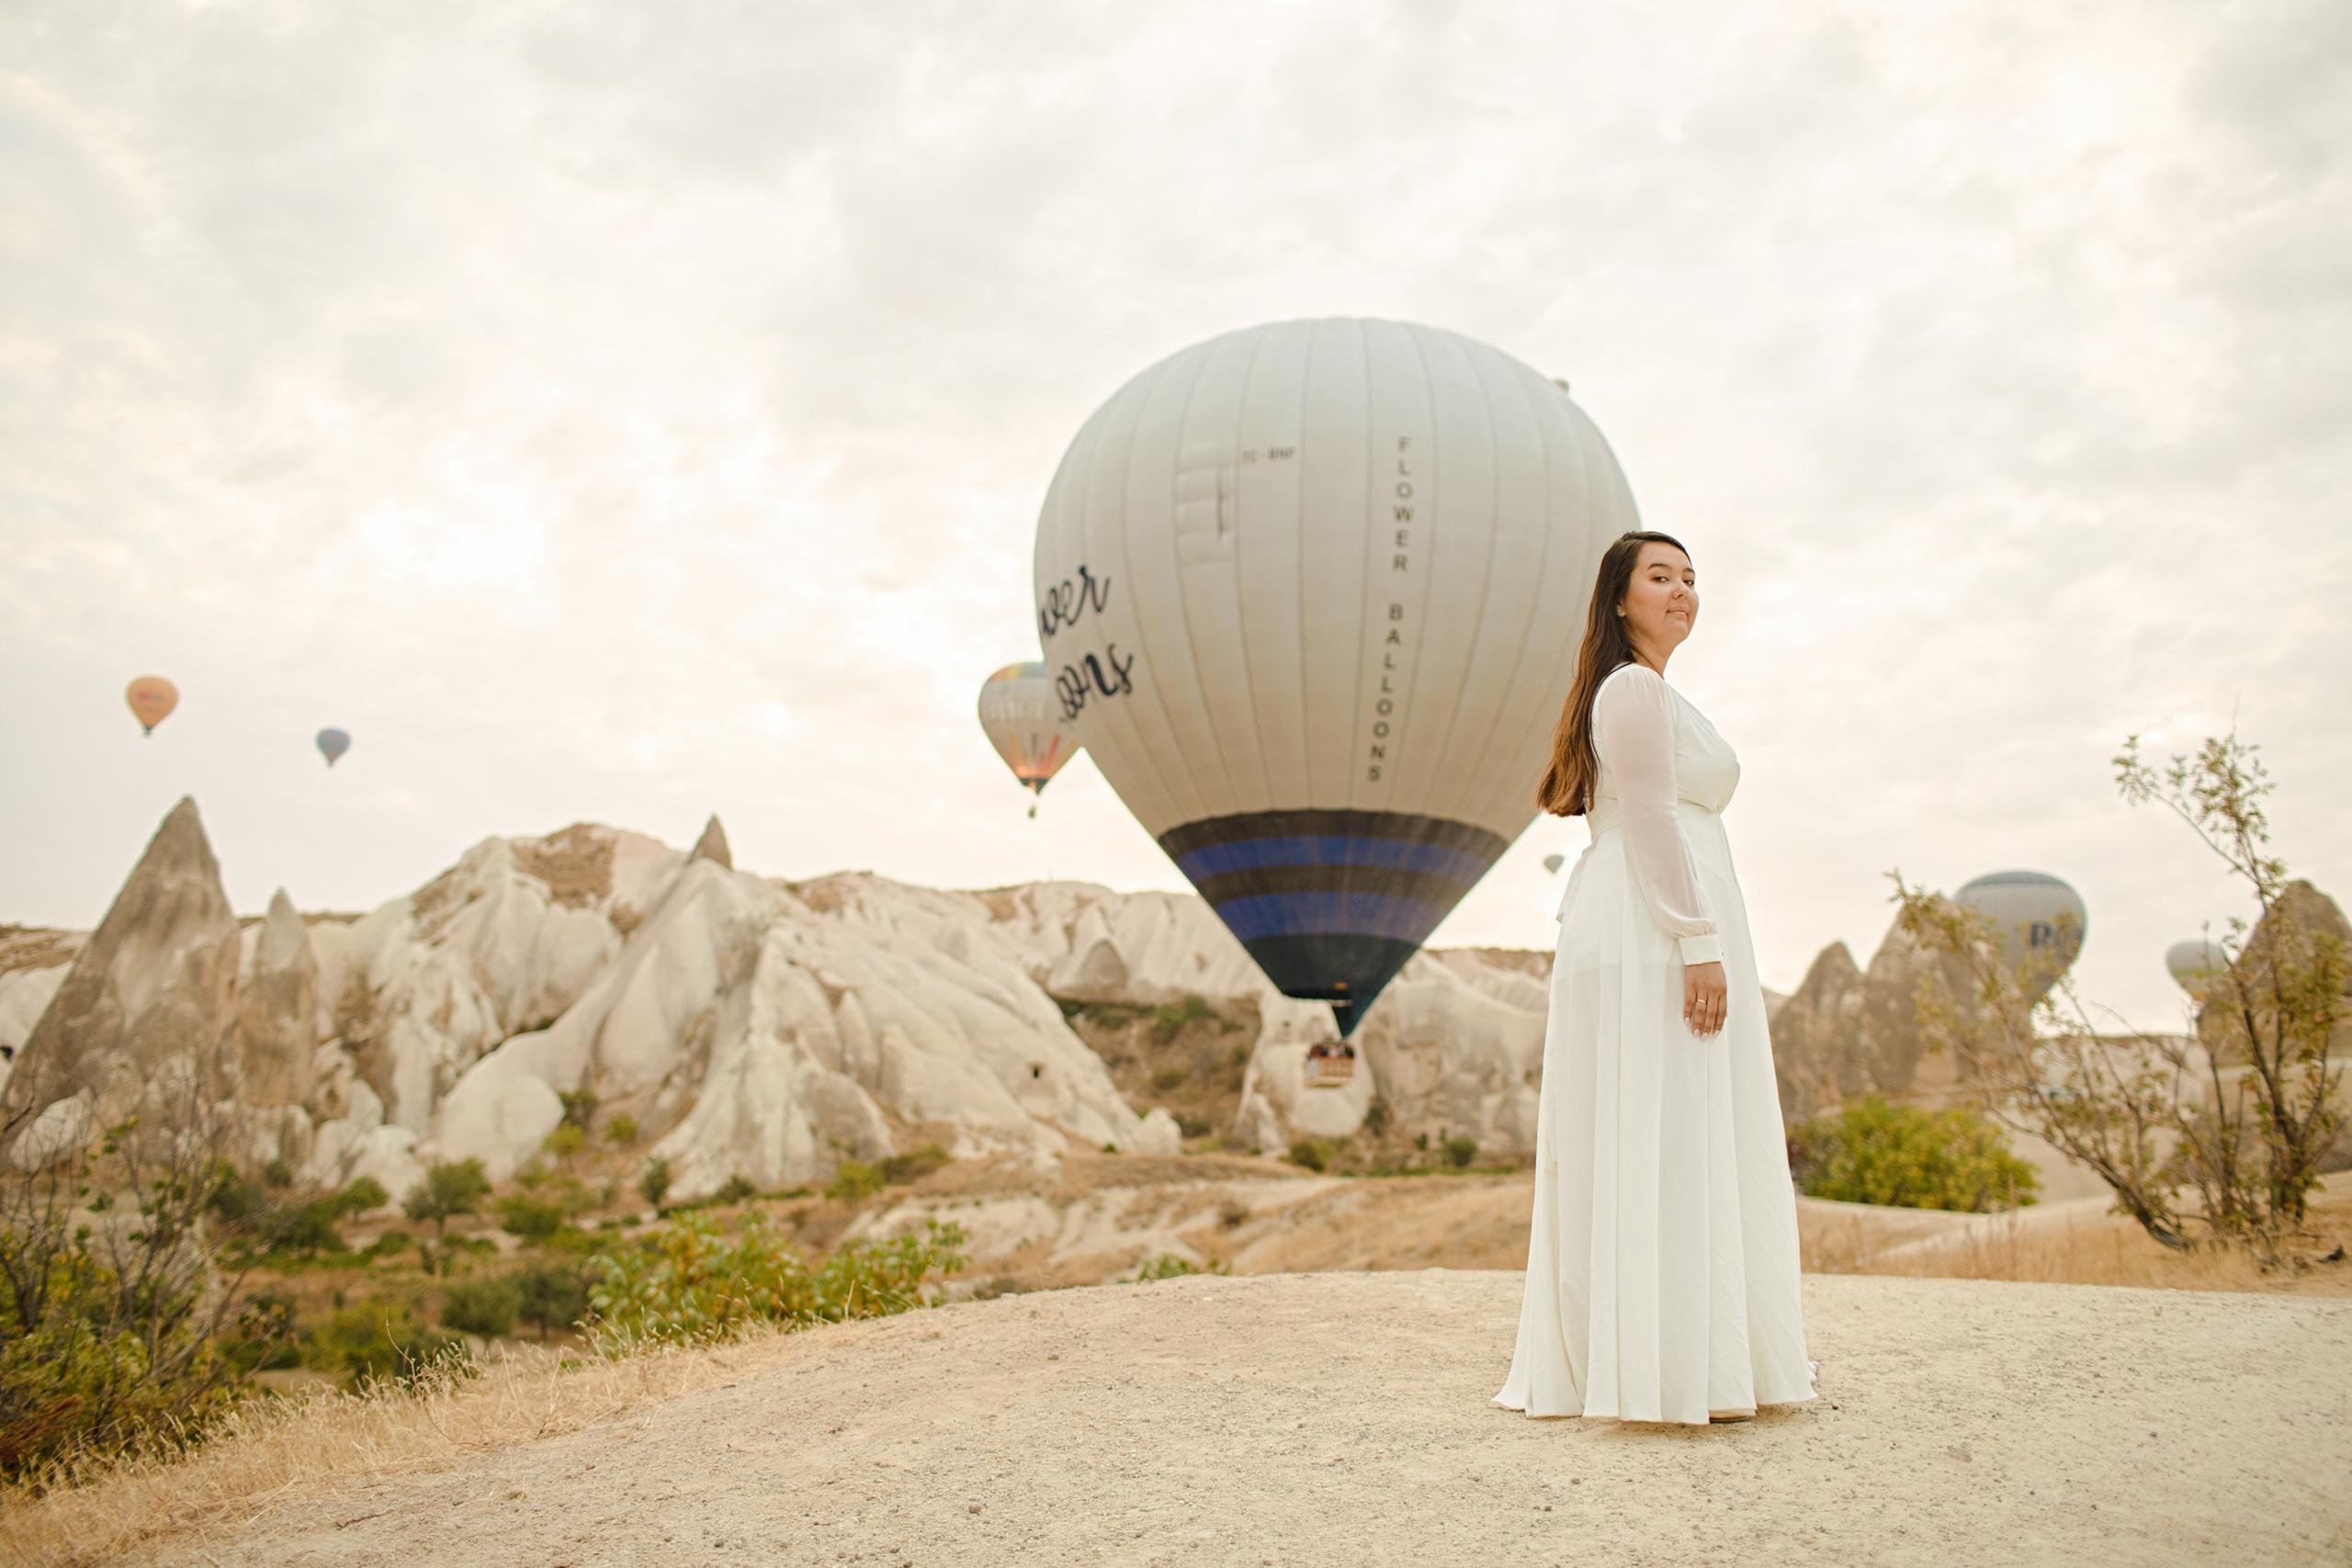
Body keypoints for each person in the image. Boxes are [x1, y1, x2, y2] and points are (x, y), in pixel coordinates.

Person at [1490, 529, 1816, 1427]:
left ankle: (1680, 1356)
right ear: (1619, 598)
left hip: (1656, 920)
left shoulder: (1650, 692)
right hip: (1651, 928)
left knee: (1668, 1125)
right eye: (1660, 576)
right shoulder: (1631, 688)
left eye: (1690, 578)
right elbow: (1647, 816)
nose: (1681, 591)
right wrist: (1695, 939)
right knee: (1663, 1123)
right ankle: (1664, 1364)